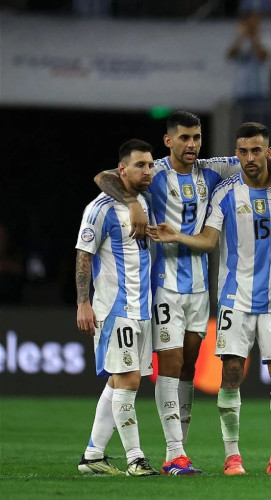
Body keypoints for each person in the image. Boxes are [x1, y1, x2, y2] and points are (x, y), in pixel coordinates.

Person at [94, 111, 271, 475]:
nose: (192, 145)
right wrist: (130, 202)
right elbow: (104, 177)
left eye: (197, 137)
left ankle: (181, 452)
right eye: (185, 138)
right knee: (170, 368)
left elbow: (262, 156)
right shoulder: (153, 171)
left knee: (188, 367)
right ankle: (173, 452)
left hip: (201, 287)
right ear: (168, 140)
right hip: (165, 284)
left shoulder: (212, 169)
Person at [149, 122, 271, 477]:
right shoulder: (224, 192)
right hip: (234, 298)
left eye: (256, 150)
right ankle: (232, 456)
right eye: (242, 151)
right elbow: (208, 241)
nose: (249, 158)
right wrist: (176, 235)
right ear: (235, 153)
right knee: (231, 374)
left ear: (269, 152)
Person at [75, 139, 160, 477]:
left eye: (151, 165)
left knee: (122, 380)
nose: (148, 171)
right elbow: (84, 255)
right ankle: (135, 459)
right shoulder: (100, 209)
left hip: (141, 308)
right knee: (126, 381)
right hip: (115, 308)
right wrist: (83, 302)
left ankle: (93, 456)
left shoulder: (144, 203)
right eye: (140, 165)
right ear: (121, 170)